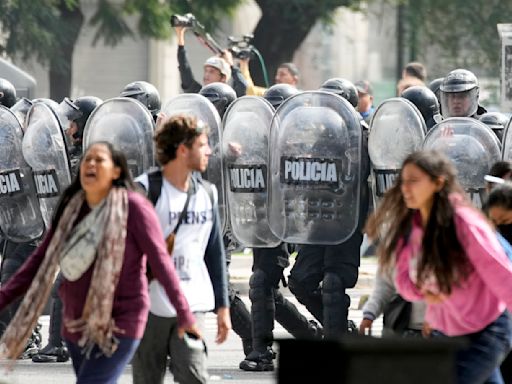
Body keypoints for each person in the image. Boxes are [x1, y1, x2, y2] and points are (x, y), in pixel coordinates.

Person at [0, 141, 199, 382]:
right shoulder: (71, 209)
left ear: (116, 171)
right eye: (87, 160)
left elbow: (161, 263)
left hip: (122, 321)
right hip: (76, 326)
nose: (91, 164)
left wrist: (184, 312)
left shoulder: (135, 208)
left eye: (99, 160)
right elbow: (38, 262)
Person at [366, 149, 512, 383]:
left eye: (414, 181)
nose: (405, 188)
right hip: (444, 332)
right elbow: (402, 280)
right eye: (403, 181)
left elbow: (502, 275)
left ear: (438, 182)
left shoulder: (465, 223)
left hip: (487, 331)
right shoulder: (412, 227)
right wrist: (423, 294)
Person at [132, 114, 231, 384]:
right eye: (202, 144)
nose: (209, 150)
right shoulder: (145, 191)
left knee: (192, 374)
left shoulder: (207, 194)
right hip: (149, 306)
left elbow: (214, 252)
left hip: (193, 302)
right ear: (183, 149)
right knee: (147, 379)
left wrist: (223, 307)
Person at [31, 95, 103, 364]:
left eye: (74, 123)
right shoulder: (74, 154)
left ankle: (58, 344)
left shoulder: (96, 156)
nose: (69, 128)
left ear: (85, 123)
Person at [174, 26, 247, 97]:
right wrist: (180, 34)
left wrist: (231, 65)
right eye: (206, 71)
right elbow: (185, 70)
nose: (206, 75)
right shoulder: (200, 95)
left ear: (223, 78)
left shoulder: (230, 97)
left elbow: (242, 85)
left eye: (212, 71)